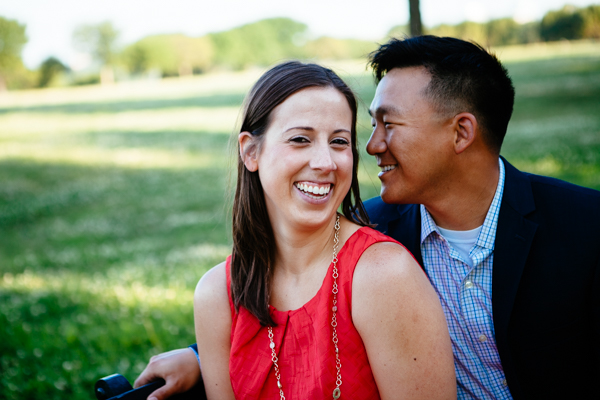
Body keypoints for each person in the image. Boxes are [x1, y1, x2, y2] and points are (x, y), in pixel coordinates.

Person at [135, 37, 600, 399]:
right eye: (369, 126)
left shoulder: (585, 228)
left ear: (461, 132)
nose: (371, 145)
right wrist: (203, 356)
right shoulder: (376, 225)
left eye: (388, 125)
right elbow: (299, 290)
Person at [161, 60, 455, 400]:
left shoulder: (383, 276)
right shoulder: (216, 295)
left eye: (339, 142)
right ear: (250, 151)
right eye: (301, 139)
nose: (325, 163)